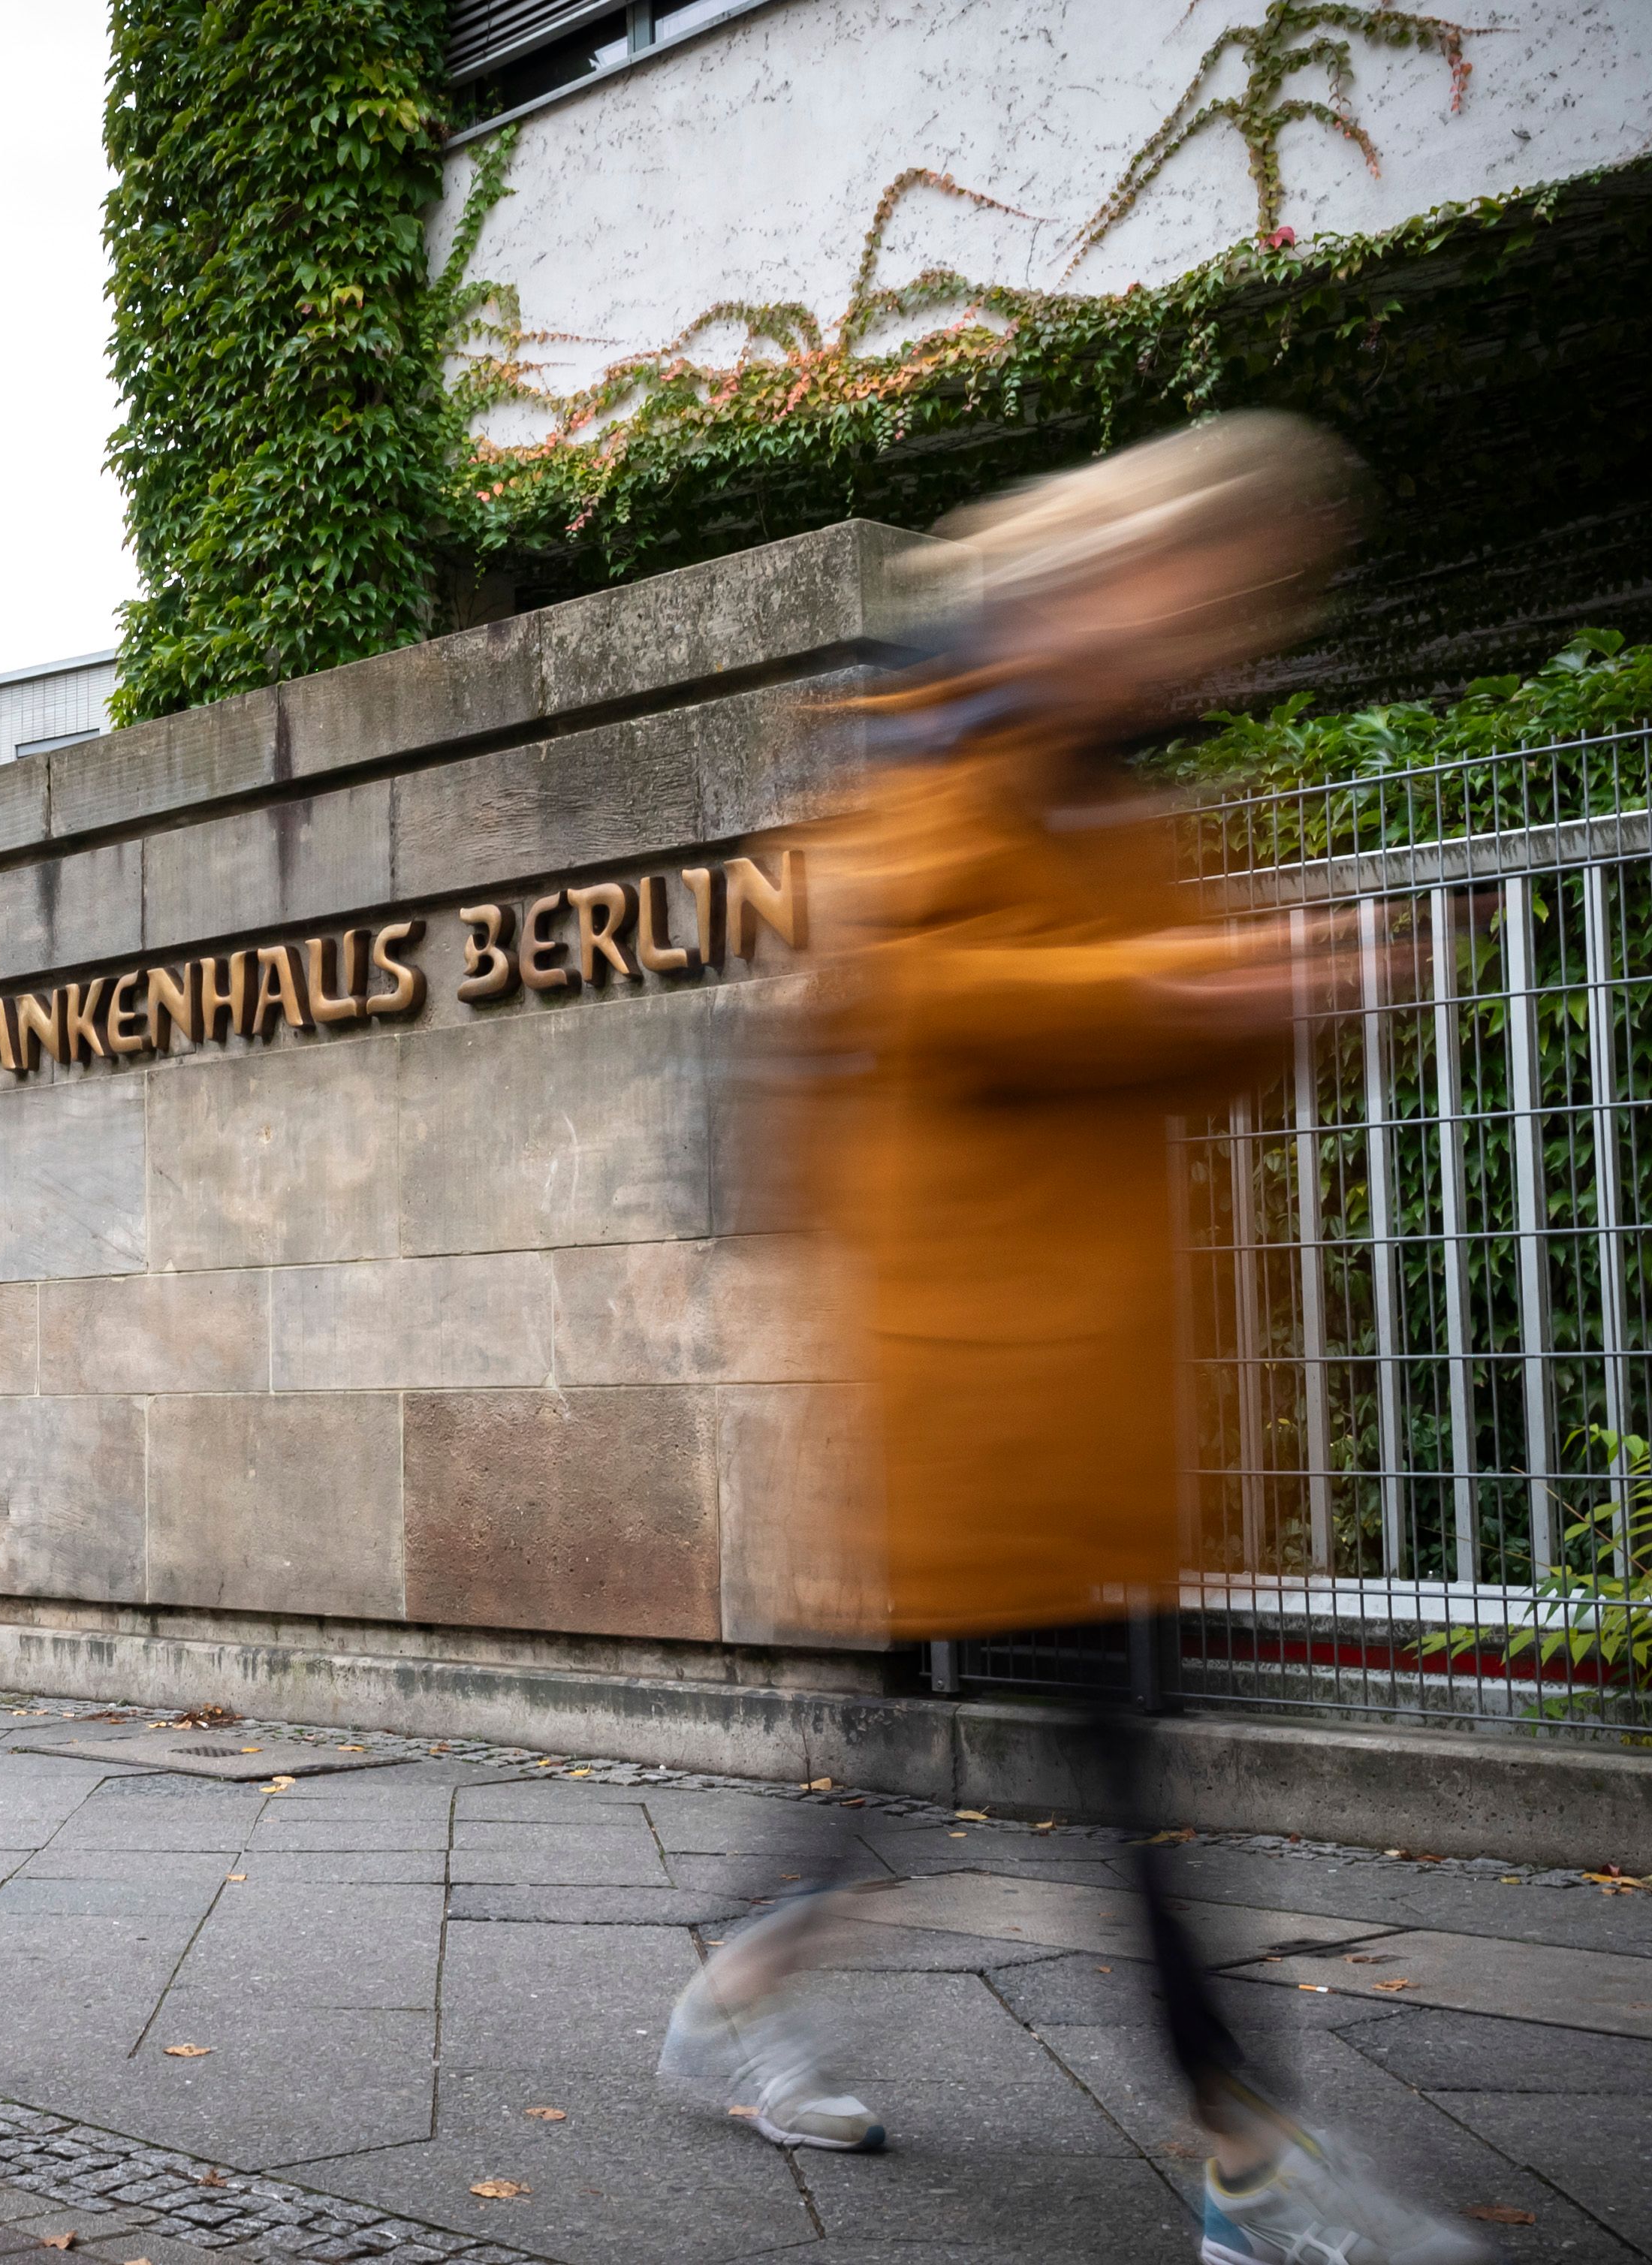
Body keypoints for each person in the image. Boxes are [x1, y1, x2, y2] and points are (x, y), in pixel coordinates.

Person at [660, 415, 1491, 2265]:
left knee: (927, 1758)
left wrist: (1297, 993)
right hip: (971, 1371)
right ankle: (1248, 2162)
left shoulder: (1111, 783)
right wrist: (1197, 976)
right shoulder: (923, 750)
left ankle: (742, 1982)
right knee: (1125, 1790)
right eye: (1210, 587)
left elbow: (1149, 1020)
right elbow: (926, 986)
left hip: (1080, 1369)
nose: (1228, 632)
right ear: (1114, 570)